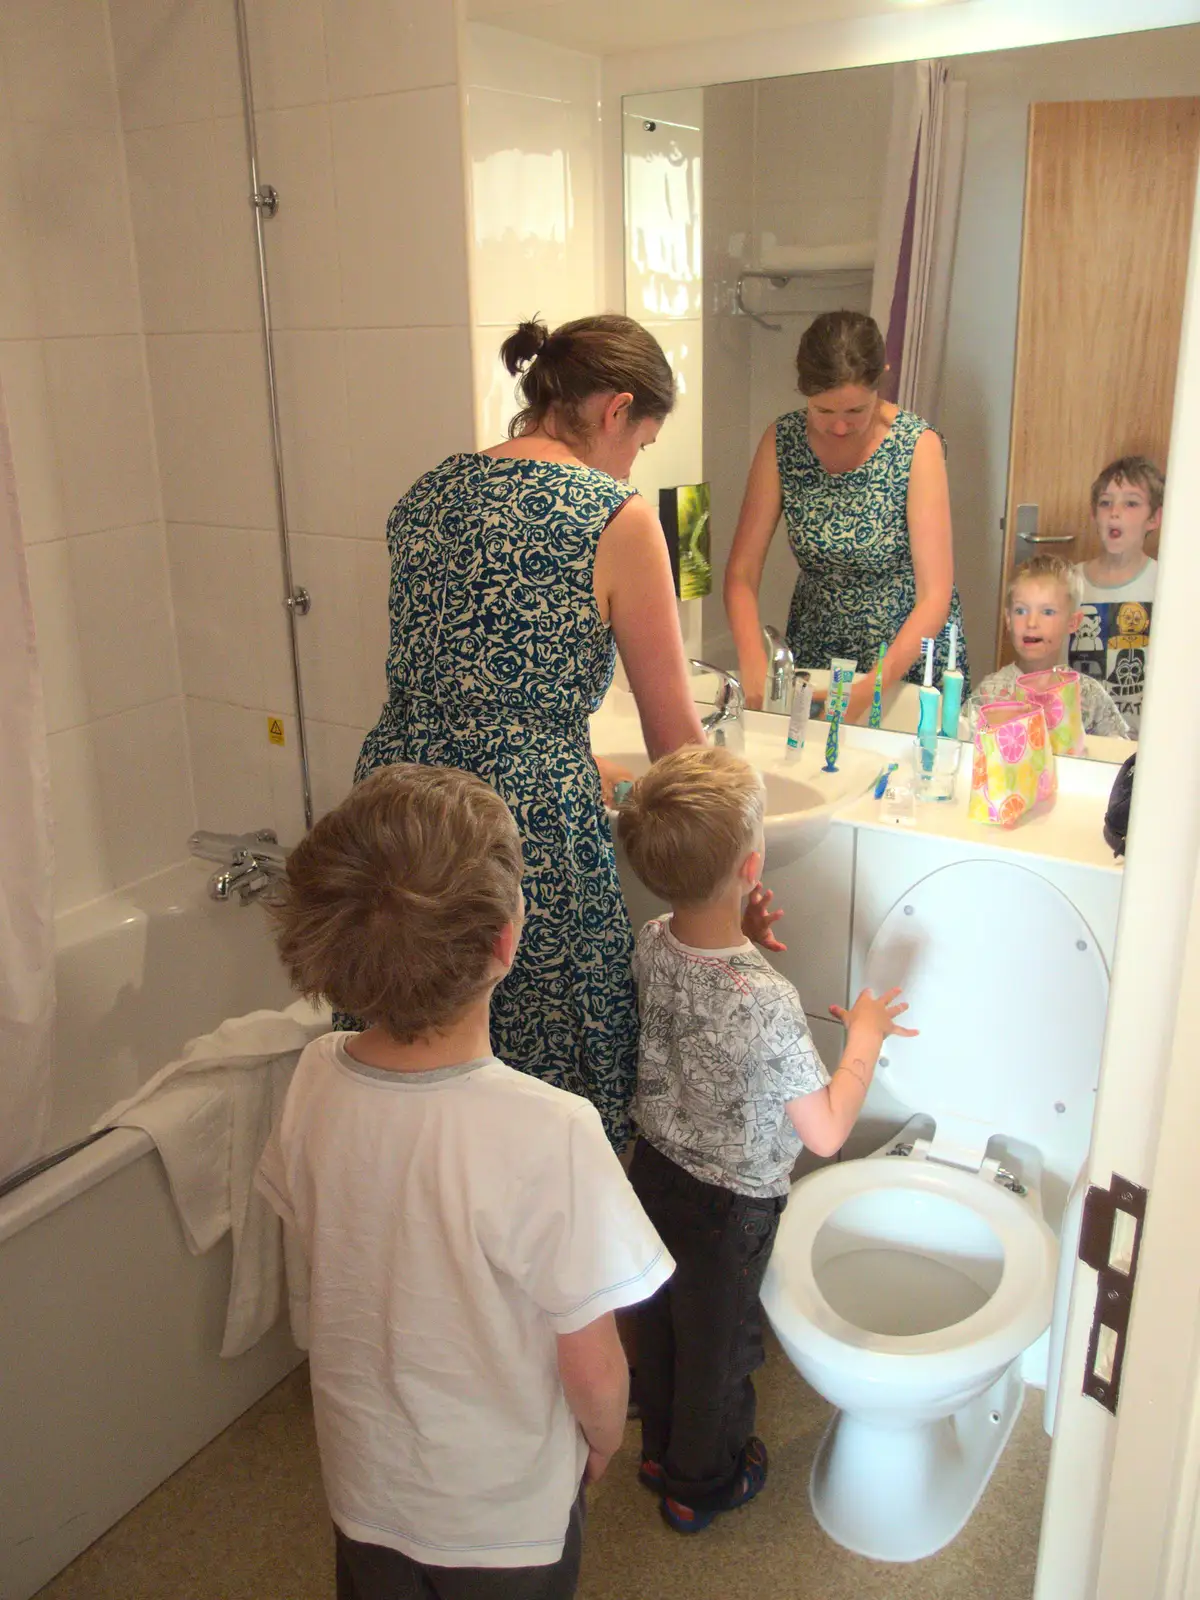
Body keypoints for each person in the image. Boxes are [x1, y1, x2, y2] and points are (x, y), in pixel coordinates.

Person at [256, 763, 675, 1600]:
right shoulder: (551, 1131)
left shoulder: (311, 1077)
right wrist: (601, 1441)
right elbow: (593, 1367)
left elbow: (331, 1242)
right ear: (504, 943)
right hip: (503, 1520)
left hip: (365, 1483)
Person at [341, 315, 707, 1150]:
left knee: (411, 1057)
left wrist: (584, 764)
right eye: (642, 442)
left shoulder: (426, 493)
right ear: (615, 410)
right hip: (519, 824)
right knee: (540, 1080)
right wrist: (736, 866)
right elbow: (679, 744)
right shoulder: (614, 517)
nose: (633, 464)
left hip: (395, 813)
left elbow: (469, 684)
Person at [615, 745, 915, 1534]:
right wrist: (868, 1037)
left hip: (652, 1175)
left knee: (666, 1319)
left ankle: (657, 1453)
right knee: (721, 1348)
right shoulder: (771, 1003)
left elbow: (693, 987)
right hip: (730, 1205)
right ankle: (698, 1484)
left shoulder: (650, 939)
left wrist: (736, 928)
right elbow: (827, 1128)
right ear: (753, 866)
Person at [725, 308, 968, 723]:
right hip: (818, 650)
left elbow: (934, 596)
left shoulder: (916, 445)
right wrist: (751, 660)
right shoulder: (782, 441)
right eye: (823, 411)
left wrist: (871, 687)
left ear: (880, 382)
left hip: (902, 657)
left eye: (856, 411)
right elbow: (742, 574)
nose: (839, 427)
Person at [968, 556, 1130, 739]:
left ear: (1073, 622)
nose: (1031, 622)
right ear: (1008, 619)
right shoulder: (990, 692)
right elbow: (969, 741)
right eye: (1021, 611)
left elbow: (1121, 756)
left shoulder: (1089, 696)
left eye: (1047, 612)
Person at [1068, 454, 1163, 735]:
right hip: (1081, 736)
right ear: (1093, 514)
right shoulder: (1070, 582)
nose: (1115, 512)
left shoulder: (1164, 584)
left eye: (1131, 503)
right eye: (1106, 503)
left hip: (1144, 742)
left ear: (1154, 518)